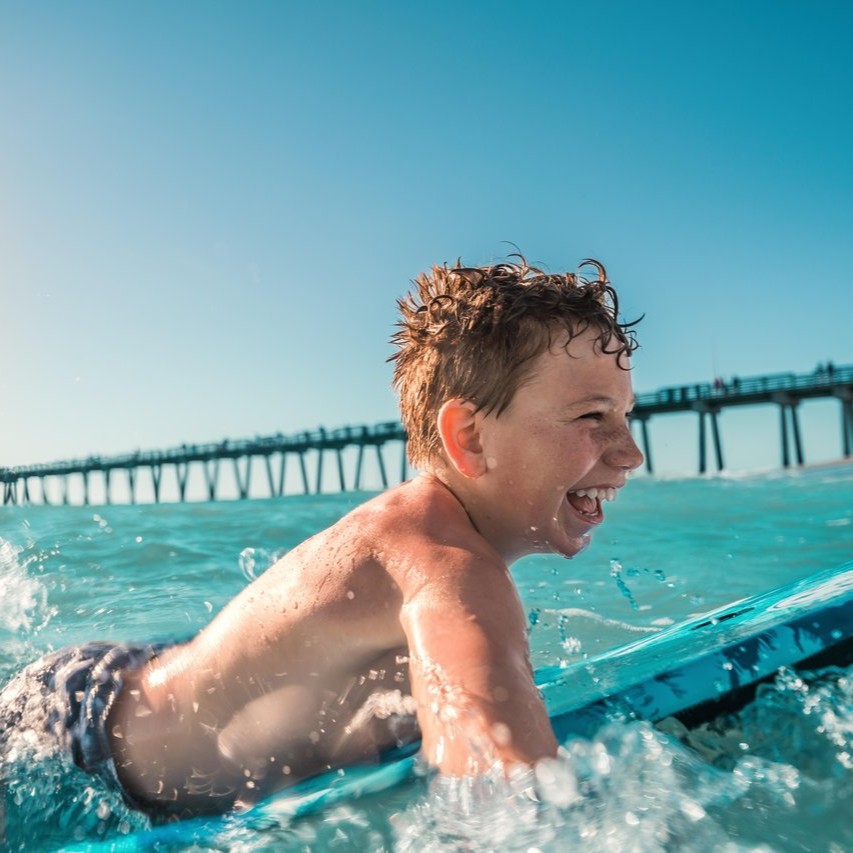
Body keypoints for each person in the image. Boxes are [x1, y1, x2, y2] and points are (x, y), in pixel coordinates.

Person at [0, 255, 643, 821]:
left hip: (145, 676)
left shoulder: (436, 552)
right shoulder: (448, 566)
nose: (631, 453)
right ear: (469, 438)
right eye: (592, 417)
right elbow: (493, 773)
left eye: (626, 417)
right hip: (80, 730)